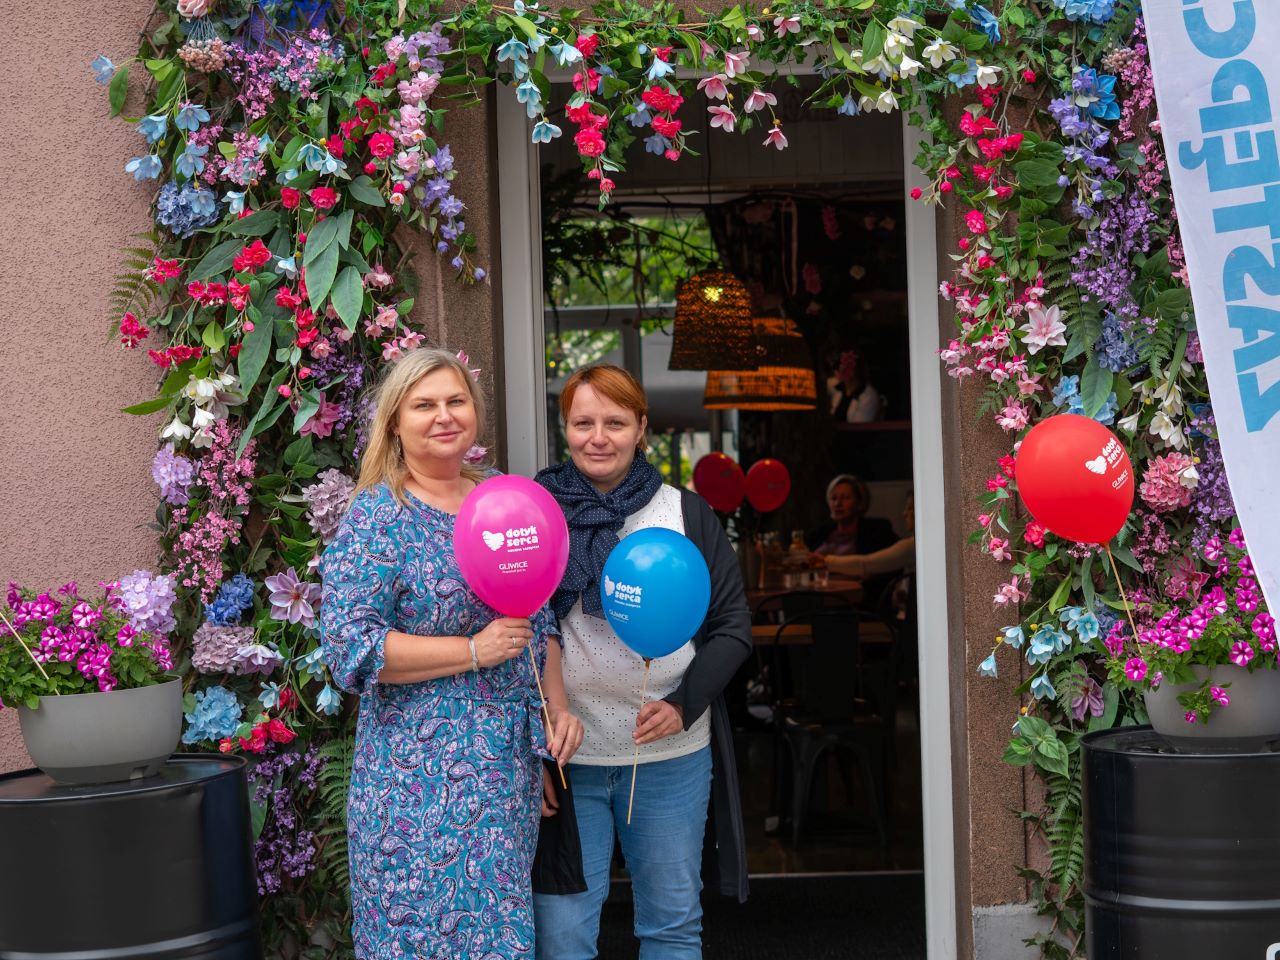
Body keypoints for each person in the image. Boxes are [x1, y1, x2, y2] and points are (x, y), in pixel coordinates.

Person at [319, 348, 583, 959]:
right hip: (412, 785)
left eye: (455, 401)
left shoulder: (503, 498)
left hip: (502, 777)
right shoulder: (379, 515)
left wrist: (555, 718)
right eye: (425, 405)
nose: (444, 416)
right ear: (395, 422)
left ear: (474, 412)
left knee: (496, 937)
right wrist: (472, 650)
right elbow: (352, 647)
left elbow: (539, 617)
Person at [533, 364, 751, 959]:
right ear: (564, 427)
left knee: (671, 925)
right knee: (563, 933)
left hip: (667, 758)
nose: (598, 437)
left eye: (615, 422)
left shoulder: (686, 514)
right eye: (583, 423)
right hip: (568, 760)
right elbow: (521, 626)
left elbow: (734, 628)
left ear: (641, 428)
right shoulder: (538, 514)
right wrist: (533, 744)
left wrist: (683, 705)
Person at [805, 474, 898, 559]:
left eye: (846, 498)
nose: (838, 504)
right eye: (833, 498)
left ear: (859, 502)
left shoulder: (877, 530)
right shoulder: (819, 533)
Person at [828, 349, 883, 422]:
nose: (839, 369)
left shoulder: (868, 395)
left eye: (847, 366)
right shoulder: (837, 388)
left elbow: (859, 425)